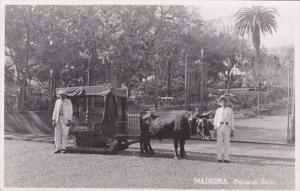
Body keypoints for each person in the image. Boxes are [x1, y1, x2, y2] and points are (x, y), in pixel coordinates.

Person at [213, 95, 234, 163]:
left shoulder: (230, 110)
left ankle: (226, 158)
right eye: (222, 101)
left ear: (227, 102)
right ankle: (219, 157)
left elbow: (232, 120)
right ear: (220, 102)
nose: (223, 102)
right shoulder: (218, 110)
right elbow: (215, 120)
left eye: (225, 101)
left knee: (227, 143)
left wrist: (232, 130)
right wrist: (215, 129)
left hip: (227, 127)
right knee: (219, 143)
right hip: (219, 127)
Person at [52, 89, 73, 153]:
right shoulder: (57, 101)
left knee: (65, 134)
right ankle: (58, 148)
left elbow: (70, 111)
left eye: (63, 95)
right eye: (60, 95)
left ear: (65, 95)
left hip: (65, 119)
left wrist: (69, 120)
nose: (62, 96)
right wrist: (53, 119)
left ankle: (64, 148)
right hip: (58, 118)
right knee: (57, 133)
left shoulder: (68, 101)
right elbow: (55, 111)